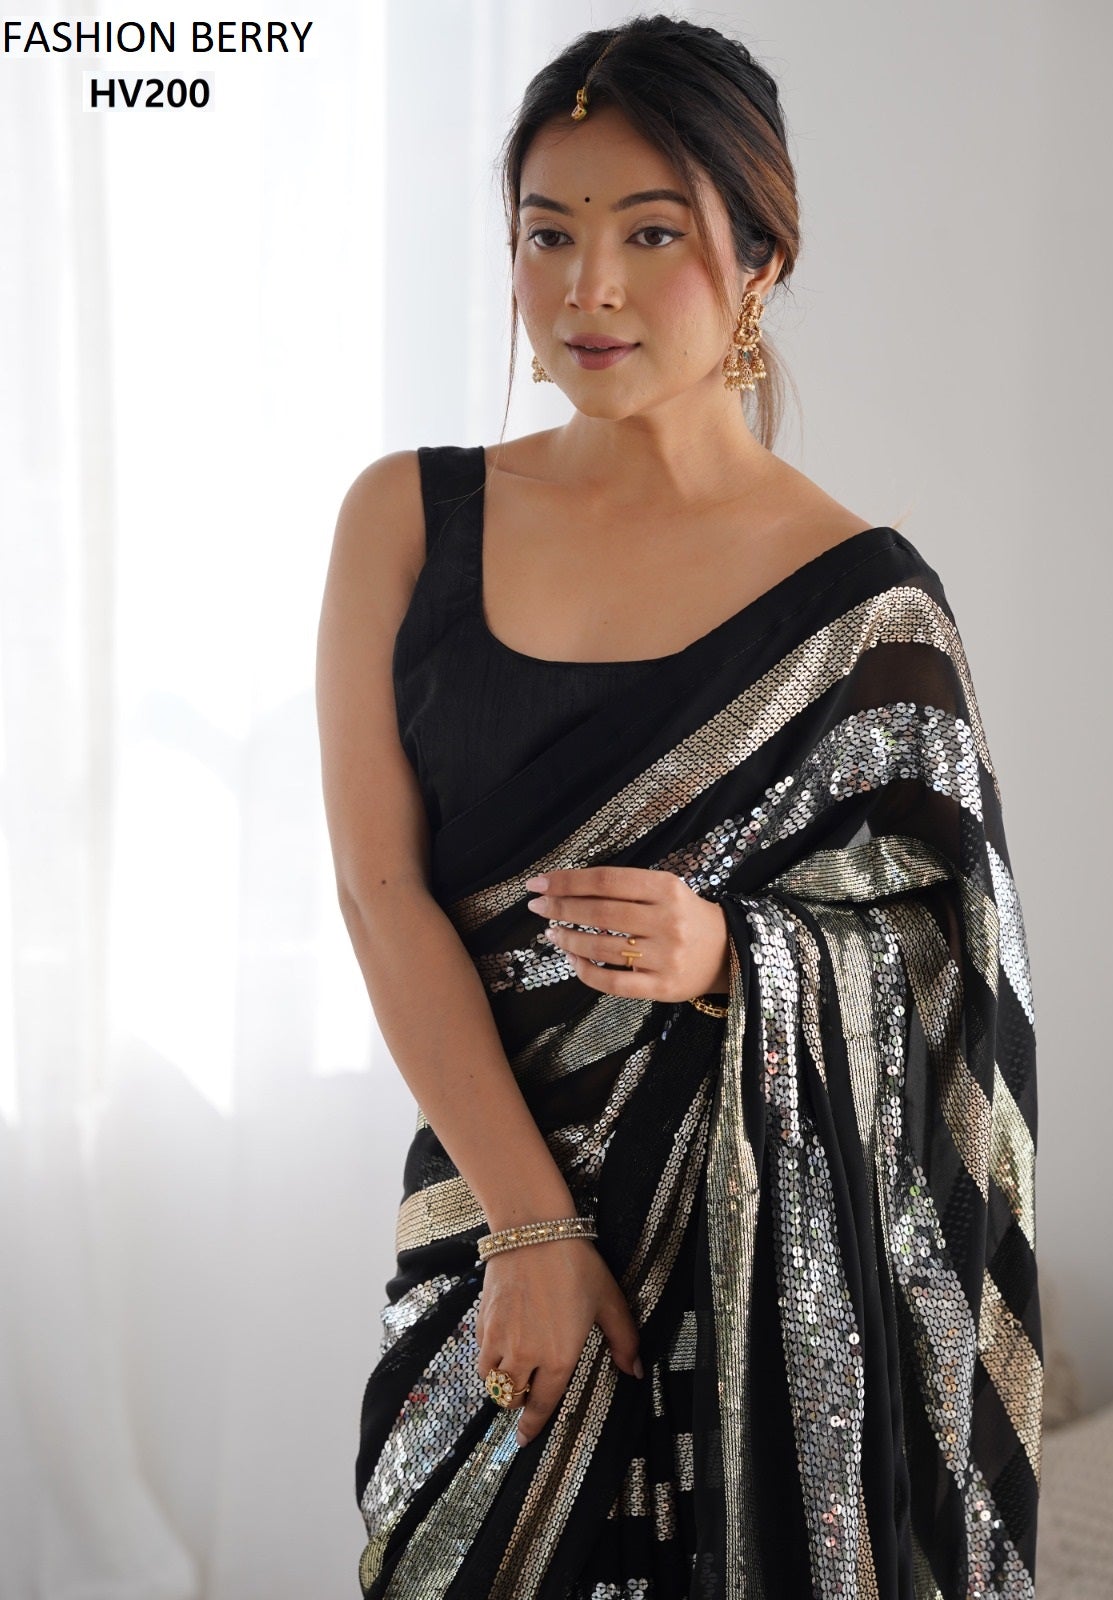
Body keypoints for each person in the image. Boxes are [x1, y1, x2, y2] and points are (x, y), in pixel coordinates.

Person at [315, 15, 1042, 1599]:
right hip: (490, 1241)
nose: (589, 287)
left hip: (756, 1305)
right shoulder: (408, 523)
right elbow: (381, 892)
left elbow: (959, 978)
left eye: (652, 234)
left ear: (762, 259)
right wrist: (531, 1232)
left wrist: (737, 959)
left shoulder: (867, 612)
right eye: (548, 234)